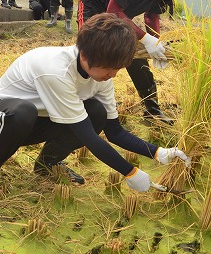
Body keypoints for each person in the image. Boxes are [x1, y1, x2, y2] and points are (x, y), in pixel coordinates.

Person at [0, 13, 190, 192]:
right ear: (84, 56)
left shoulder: (102, 78)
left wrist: (158, 152)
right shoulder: (55, 71)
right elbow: (88, 137)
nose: (113, 75)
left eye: (118, 69)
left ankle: (47, 164)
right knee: (23, 112)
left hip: (37, 121)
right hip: (8, 120)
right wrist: (130, 172)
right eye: (109, 68)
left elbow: (114, 131)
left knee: (97, 112)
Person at [77, 0, 203, 125]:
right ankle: (80, 104)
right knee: (94, 56)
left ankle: (152, 110)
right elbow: (112, 12)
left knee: (136, 57)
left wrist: (156, 44)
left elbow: (151, 15)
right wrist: (145, 38)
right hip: (93, 9)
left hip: (120, 15)